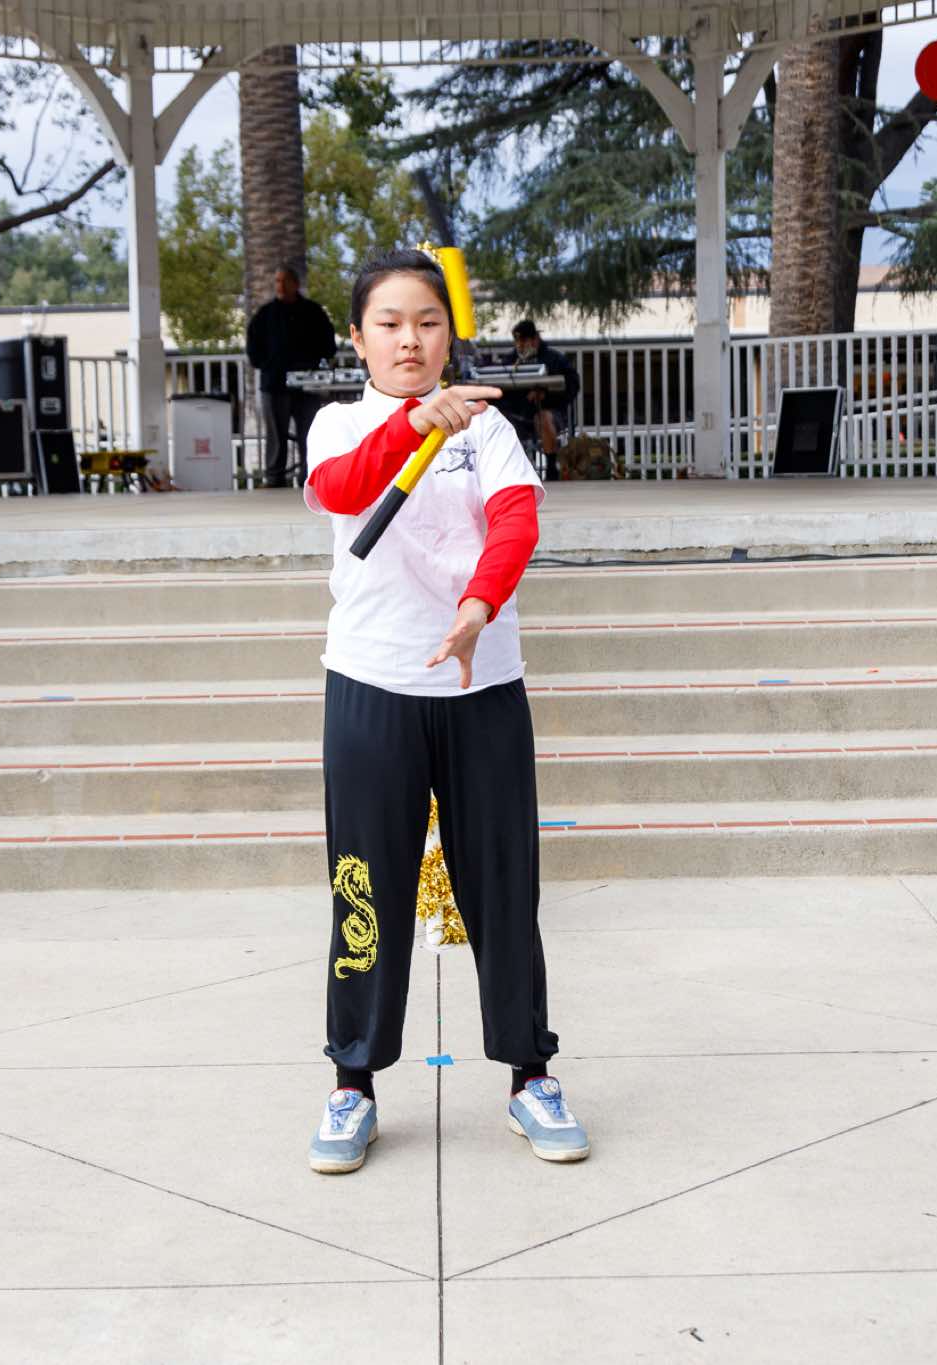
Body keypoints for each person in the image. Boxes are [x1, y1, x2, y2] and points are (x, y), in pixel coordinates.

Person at [299, 248, 587, 1175]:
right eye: (389, 323)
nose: (409, 340)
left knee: (504, 886)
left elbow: (515, 521)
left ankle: (530, 1074)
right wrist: (412, 424)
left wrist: (477, 606)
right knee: (364, 885)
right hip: (371, 680)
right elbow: (343, 489)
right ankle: (353, 1082)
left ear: (448, 333)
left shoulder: (488, 425)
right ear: (358, 338)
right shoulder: (338, 423)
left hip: (481, 683)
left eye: (427, 322)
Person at [245, 266, 338, 488]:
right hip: (275, 384)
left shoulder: (313, 312)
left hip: (307, 384)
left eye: (285, 281)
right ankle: (274, 478)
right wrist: (268, 364)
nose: (280, 286)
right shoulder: (265, 314)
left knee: (309, 432)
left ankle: (310, 478)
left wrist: (313, 364)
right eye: (277, 281)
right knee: (276, 434)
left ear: (295, 284)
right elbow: (253, 347)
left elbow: (328, 344)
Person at [496, 319, 580, 479]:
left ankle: (551, 468)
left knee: (543, 418)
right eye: (517, 341)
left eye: (523, 341)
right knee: (499, 421)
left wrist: (546, 395)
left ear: (535, 339)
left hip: (551, 412)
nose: (519, 345)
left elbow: (572, 384)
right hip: (518, 414)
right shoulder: (509, 361)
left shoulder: (554, 359)